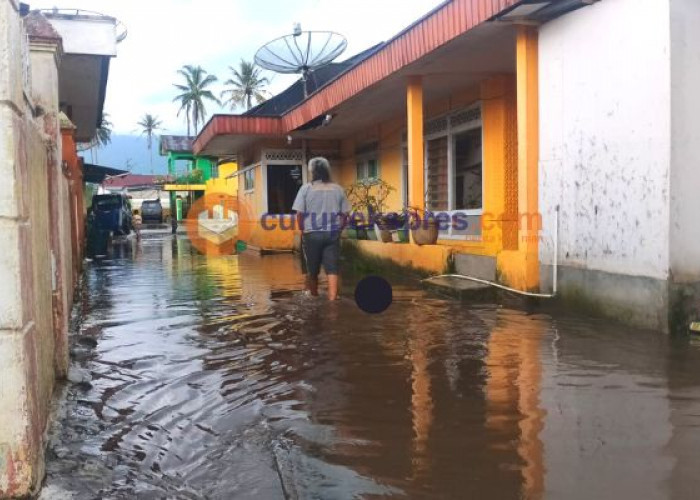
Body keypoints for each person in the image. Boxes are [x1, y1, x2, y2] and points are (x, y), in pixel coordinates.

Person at [292, 157, 351, 300]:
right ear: (327, 171)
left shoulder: (306, 188)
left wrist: (302, 229)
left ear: (312, 172)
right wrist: (339, 229)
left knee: (312, 270)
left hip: (311, 234)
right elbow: (345, 215)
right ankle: (332, 300)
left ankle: (314, 296)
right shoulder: (338, 189)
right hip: (332, 234)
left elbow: (299, 214)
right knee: (332, 269)